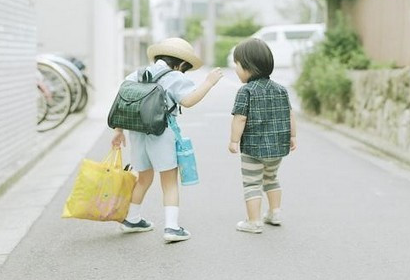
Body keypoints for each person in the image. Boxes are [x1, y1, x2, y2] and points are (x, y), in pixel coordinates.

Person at [112, 38, 223, 242]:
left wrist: (118, 131)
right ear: (180, 64)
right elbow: (188, 101)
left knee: (143, 178)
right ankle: (172, 227)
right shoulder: (174, 77)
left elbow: (122, 101)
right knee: (169, 182)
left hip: (137, 133)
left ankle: (131, 219)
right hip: (160, 132)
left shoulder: (137, 74)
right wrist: (208, 83)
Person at [228, 38, 296, 234]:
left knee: (252, 182)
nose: (235, 69)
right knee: (271, 178)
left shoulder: (246, 91)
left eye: (237, 65)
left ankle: (254, 221)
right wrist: (293, 136)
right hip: (277, 147)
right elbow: (290, 113)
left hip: (253, 149)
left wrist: (234, 140)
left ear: (248, 67)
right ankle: (275, 213)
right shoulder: (281, 89)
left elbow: (240, 119)